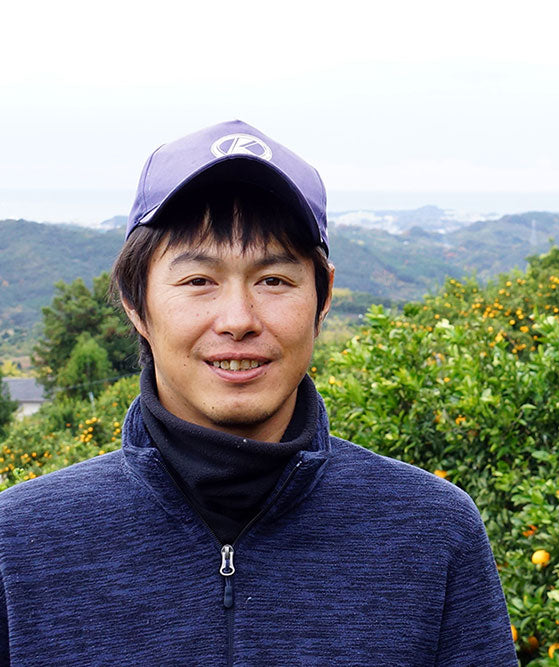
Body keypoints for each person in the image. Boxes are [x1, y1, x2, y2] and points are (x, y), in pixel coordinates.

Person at [0, 120, 518, 665]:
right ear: (136, 303)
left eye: (274, 280)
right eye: (198, 280)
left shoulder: (430, 532)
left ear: (322, 299)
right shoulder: (22, 544)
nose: (238, 320)